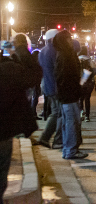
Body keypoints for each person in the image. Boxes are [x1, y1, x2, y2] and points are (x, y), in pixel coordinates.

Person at [1, 45, 39, 200]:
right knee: (2, 173)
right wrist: (23, 50)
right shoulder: (8, 69)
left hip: (4, 131)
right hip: (4, 131)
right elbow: (34, 76)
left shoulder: (8, 69)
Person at [54, 30, 88, 159]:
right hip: (69, 96)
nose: (70, 40)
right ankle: (70, 150)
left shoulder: (64, 54)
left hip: (68, 95)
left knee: (70, 122)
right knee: (71, 122)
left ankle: (68, 149)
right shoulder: (65, 55)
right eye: (68, 38)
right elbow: (64, 77)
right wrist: (76, 88)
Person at [36, 29, 63, 149]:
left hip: (46, 85)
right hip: (55, 86)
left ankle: (48, 138)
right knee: (58, 113)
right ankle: (49, 138)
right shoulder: (54, 51)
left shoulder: (42, 51)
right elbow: (58, 69)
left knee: (56, 112)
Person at [78, 46, 96, 122]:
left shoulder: (77, 59)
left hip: (80, 82)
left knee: (80, 98)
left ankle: (81, 113)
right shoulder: (89, 60)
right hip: (88, 82)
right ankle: (87, 116)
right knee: (87, 98)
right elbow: (94, 71)